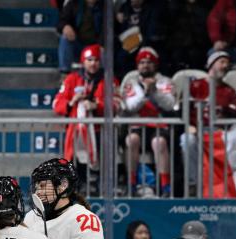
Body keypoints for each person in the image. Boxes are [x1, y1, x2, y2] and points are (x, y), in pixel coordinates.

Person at [53, 43, 120, 195]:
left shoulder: (109, 80)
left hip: (101, 131)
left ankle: (101, 187)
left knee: (102, 160)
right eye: (89, 60)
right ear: (83, 61)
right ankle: (78, 186)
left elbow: (117, 103)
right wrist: (72, 102)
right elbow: (57, 104)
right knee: (75, 161)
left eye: (96, 60)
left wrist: (97, 105)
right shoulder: (71, 79)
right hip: (76, 131)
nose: (93, 63)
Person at [181, 51, 236, 194]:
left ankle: (224, 186)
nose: (225, 66)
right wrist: (189, 126)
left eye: (227, 63)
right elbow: (184, 110)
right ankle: (194, 184)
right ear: (211, 64)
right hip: (196, 129)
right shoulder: (195, 86)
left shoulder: (229, 91)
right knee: (187, 140)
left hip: (219, 132)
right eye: (222, 62)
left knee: (230, 141)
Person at [123, 47, 175, 197]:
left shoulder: (165, 82)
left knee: (159, 142)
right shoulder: (130, 83)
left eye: (149, 62)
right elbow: (129, 106)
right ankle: (131, 184)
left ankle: (166, 187)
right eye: (142, 62)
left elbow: (170, 104)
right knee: (131, 140)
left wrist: (155, 91)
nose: (145, 65)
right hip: (137, 125)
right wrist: (145, 94)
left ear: (155, 65)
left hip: (158, 124)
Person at [56, 0, 103, 74]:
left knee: (107, 46)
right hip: (78, 45)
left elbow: (111, 28)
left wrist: (102, 43)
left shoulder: (105, 7)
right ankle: (65, 73)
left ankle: (102, 76)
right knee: (65, 38)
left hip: (96, 46)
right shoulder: (74, 4)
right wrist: (65, 27)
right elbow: (60, 22)